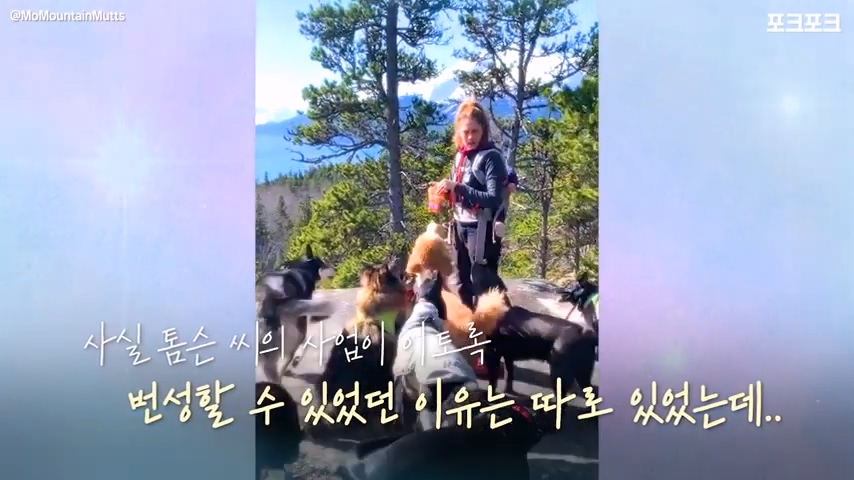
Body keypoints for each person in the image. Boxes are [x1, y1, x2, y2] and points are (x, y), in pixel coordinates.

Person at [434, 99, 514, 309]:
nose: (470, 137)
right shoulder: (460, 156)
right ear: (458, 132)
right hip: (460, 225)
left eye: (475, 131)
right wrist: (445, 193)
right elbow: (460, 189)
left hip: (482, 228)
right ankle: (469, 322)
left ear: (483, 130)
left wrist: (458, 187)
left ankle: (501, 323)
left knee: (484, 283)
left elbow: (493, 198)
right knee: (462, 282)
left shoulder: (491, 157)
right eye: (466, 132)